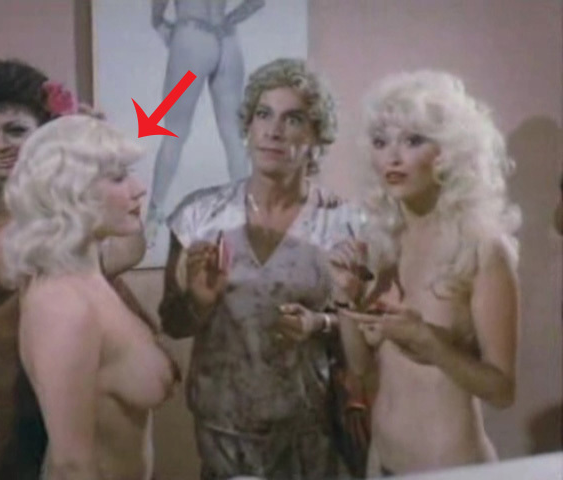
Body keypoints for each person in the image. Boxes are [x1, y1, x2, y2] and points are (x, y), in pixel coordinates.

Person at [0, 59, 143, 479]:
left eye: (16, 130)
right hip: (0, 397)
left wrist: (99, 161)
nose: (0, 145)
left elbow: (129, 252)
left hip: (80, 384)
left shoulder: (73, 206)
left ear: (45, 134)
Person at [159, 57, 359, 480]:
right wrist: (198, 301)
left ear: (316, 135)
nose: (274, 130)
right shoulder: (198, 216)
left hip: (310, 431)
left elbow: (365, 331)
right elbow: (172, 322)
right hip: (223, 429)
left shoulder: (344, 223)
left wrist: (319, 324)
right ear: (247, 127)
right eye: (263, 115)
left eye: (293, 119)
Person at [329, 70, 521, 476]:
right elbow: (361, 368)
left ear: (449, 152)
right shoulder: (383, 243)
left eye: (413, 140)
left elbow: (502, 390)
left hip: (450, 468)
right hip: (381, 463)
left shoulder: (482, 248)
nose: (393, 157)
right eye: (381, 142)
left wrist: (429, 342)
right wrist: (345, 298)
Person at [0, 115, 177, 479]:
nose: (139, 188)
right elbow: (71, 465)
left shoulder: (91, 278)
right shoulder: (62, 305)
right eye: (118, 177)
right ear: (70, 192)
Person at [146, 0, 265, 242]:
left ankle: (153, 218)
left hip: (193, 36)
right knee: (234, 137)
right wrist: (229, 19)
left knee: (174, 133)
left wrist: (157, 20)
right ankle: (247, 217)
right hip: (227, 40)